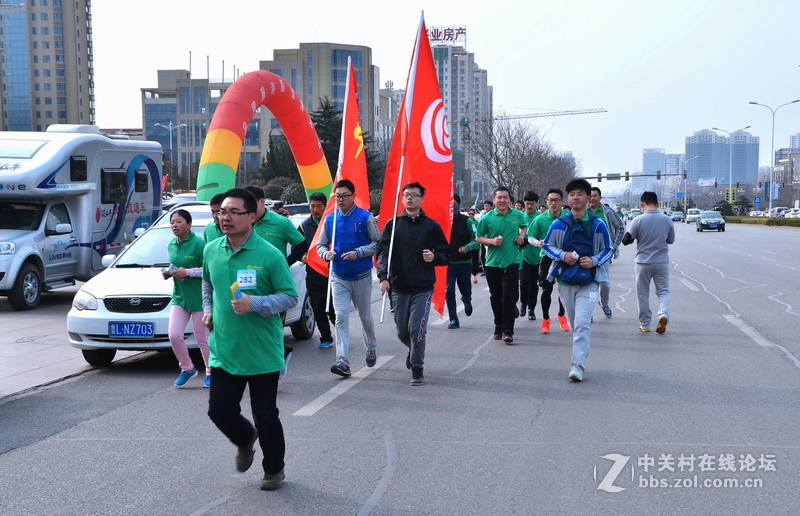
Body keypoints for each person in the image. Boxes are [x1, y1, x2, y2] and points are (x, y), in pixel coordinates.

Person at [202, 188, 298, 491]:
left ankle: (274, 470)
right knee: (219, 411)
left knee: (266, 416)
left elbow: (289, 297)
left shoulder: (269, 254)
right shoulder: (211, 249)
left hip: (261, 352)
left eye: (233, 212)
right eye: (221, 212)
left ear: (252, 216)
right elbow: (208, 284)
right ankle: (245, 439)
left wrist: (254, 304)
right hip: (224, 348)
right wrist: (208, 310)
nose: (225, 217)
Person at [377, 183, 449, 385]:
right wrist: (383, 277)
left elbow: (445, 253)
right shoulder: (393, 224)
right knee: (403, 331)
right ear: (402, 199)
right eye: (406, 195)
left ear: (421, 199)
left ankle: (417, 368)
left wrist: (434, 257)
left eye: (414, 195)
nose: (409, 198)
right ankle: (413, 350)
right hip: (399, 286)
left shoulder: (431, 226)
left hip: (423, 288)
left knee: (417, 329)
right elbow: (383, 253)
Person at [542, 178, 612, 382]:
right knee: (575, 324)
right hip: (565, 282)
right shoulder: (559, 223)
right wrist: (563, 256)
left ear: (587, 197)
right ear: (568, 198)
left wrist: (594, 260)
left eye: (580, 194)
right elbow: (547, 246)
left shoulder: (598, 225)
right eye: (572, 194)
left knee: (582, 323)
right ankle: (583, 347)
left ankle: (577, 365)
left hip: (589, 283)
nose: (576, 197)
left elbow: (608, 250)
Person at [316, 179, 380, 377]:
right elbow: (320, 246)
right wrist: (326, 255)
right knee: (341, 316)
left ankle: (370, 346)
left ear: (353, 196)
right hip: (338, 276)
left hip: (361, 275)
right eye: (337, 196)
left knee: (364, 316)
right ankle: (343, 361)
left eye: (344, 196)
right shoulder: (330, 219)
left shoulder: (365, 217)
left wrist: (359, 252)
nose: (340, 199)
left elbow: (378, 244)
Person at [244, 185, 307, 379]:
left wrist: (284, 264)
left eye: (252, 204)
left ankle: (275, 361)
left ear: (262, 202)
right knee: (250, 327)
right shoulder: (242, 221)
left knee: (273, 327)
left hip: (274, 286)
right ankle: (264, 361)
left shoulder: (281, 222)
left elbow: (302, 244)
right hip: (247, 283)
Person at [476, 186, 528, 343]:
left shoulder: (517, 215)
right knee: (496, 297)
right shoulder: (487, 218)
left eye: (505, 197)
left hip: (512, 262)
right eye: (499, 197)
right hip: (493, 263)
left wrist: (521, 236)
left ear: (509, 200)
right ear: (494, 200)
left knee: (508, 297)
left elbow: (524, 226)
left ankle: (508, 330)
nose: (502, 200)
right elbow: (478, 237)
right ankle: (498, 325)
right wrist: (491, 241)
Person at [165, 209, 211, 388]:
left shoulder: (199, 244)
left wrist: (188, 272)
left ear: (189, 224)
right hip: (180, 297)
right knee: (174, 335)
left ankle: (210, 372)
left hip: (199, 297)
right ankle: (187, 368)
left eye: (178, 222)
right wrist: (169, 273)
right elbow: (174, 264)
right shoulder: (171, 244)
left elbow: (207, 270)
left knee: (202, 338)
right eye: (172, 222)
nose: (174, 225)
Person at [621, 191, 675, 334]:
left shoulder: (638, 220)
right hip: (662, 262)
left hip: (642, 263)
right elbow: (671, 240)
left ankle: (645, 325)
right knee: (663, 291)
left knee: (643, 294)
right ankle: (664, 315)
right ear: (657, 204)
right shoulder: (667, 220)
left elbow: (626, 240)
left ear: (642, 204)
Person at [527, 188, 570, 334]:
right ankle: (545, 319)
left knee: (564, 290)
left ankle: (562, 315)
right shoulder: (540, 219)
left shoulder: (569, 217)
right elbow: (530, 237)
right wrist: (538, 243)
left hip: (565, 258)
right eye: (550, 200)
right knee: (547, 289)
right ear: (546, 202)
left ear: (561, 202)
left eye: (556, 200)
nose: (553, 203)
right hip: (547, 258)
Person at [297, 192, 336, 349]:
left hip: (332, 273)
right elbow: (297, 247)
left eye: (319, 206)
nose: (315, 209)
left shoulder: (332, 222)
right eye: (312, 206)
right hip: (313, 273)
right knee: (317, 306)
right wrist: (302, 257)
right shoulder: (304, 226)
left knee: (333, 308)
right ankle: (326, 337)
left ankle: (341, 334)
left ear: (325, 206)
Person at [588, 187, 625, 318]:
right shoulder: (582, 211)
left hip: (603, 254)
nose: (592, 198)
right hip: (586, 254)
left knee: (604, 283)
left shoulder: (607, 212)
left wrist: (614, 246)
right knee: (589, 284)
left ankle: (604, 303)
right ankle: (589, 312)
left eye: (595, 196)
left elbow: (620, 227)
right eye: (590, 195)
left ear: (600, 198)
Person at [445, 194, 478, 329]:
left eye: (455, 203)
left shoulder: (467, 221)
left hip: (464, 263)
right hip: (448, 263)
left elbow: (476, 239)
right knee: (449, 291)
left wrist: (467, 247)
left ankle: (467, 301)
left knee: (465, 290)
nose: (453, 206)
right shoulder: (443, 221)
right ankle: (453, 319)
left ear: (458, 204)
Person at [519, 191, 541, 321]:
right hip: (523, 256)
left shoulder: (541, 218)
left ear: (536, 203)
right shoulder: (520, 217)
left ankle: (531, 308)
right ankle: (523, 303)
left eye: (532, 204)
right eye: (527, 204)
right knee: (524, 281)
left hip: (537, 257)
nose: (529, 207)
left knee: (534, 284)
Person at [467, 208, 482, 283]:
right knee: (467, 261)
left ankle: (475, 275)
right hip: (467, 245)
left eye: (472, 214)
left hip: (475, 245)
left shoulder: (476, 223)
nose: (471, 215)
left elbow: (477, 233)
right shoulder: (466, 222)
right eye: (469, 214)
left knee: (475, 261)